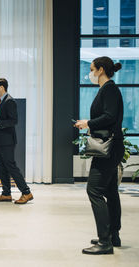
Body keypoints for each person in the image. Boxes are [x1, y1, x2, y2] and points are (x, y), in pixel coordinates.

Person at [75, 57, 124, 255]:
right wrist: (88, 123)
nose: (91, 73)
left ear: (101, 70)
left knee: (94, 190)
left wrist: (88, 123)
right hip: (111, 147)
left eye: (92, 69)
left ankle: (105, 242)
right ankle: (113, 235)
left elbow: (110, 116)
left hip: (108, 149)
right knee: (110, 191)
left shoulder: (109, 89)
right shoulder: (107, 89)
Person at [0, 78, 33, 204]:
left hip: (7, 141)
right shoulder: (1, 101)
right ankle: (6, 193)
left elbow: (13, 121)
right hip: (1, 140)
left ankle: (26, 192)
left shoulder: (9, 101)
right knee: (2, 167)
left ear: (2, 87)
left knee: (11, 167)